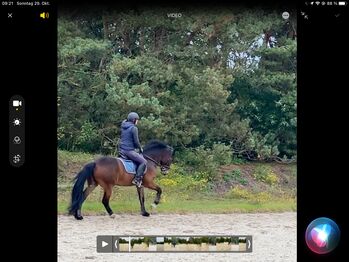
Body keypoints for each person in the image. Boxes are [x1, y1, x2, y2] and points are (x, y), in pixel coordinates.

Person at [119, 112, 147, 187]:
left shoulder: (123, 126)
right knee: (143, 161)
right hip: (128, 151)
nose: (137, 121)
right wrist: (140, 148)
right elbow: (136, 141)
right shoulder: (134, 128)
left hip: (121, 150)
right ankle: (137, 179)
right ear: (134, 120)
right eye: (137, 120)